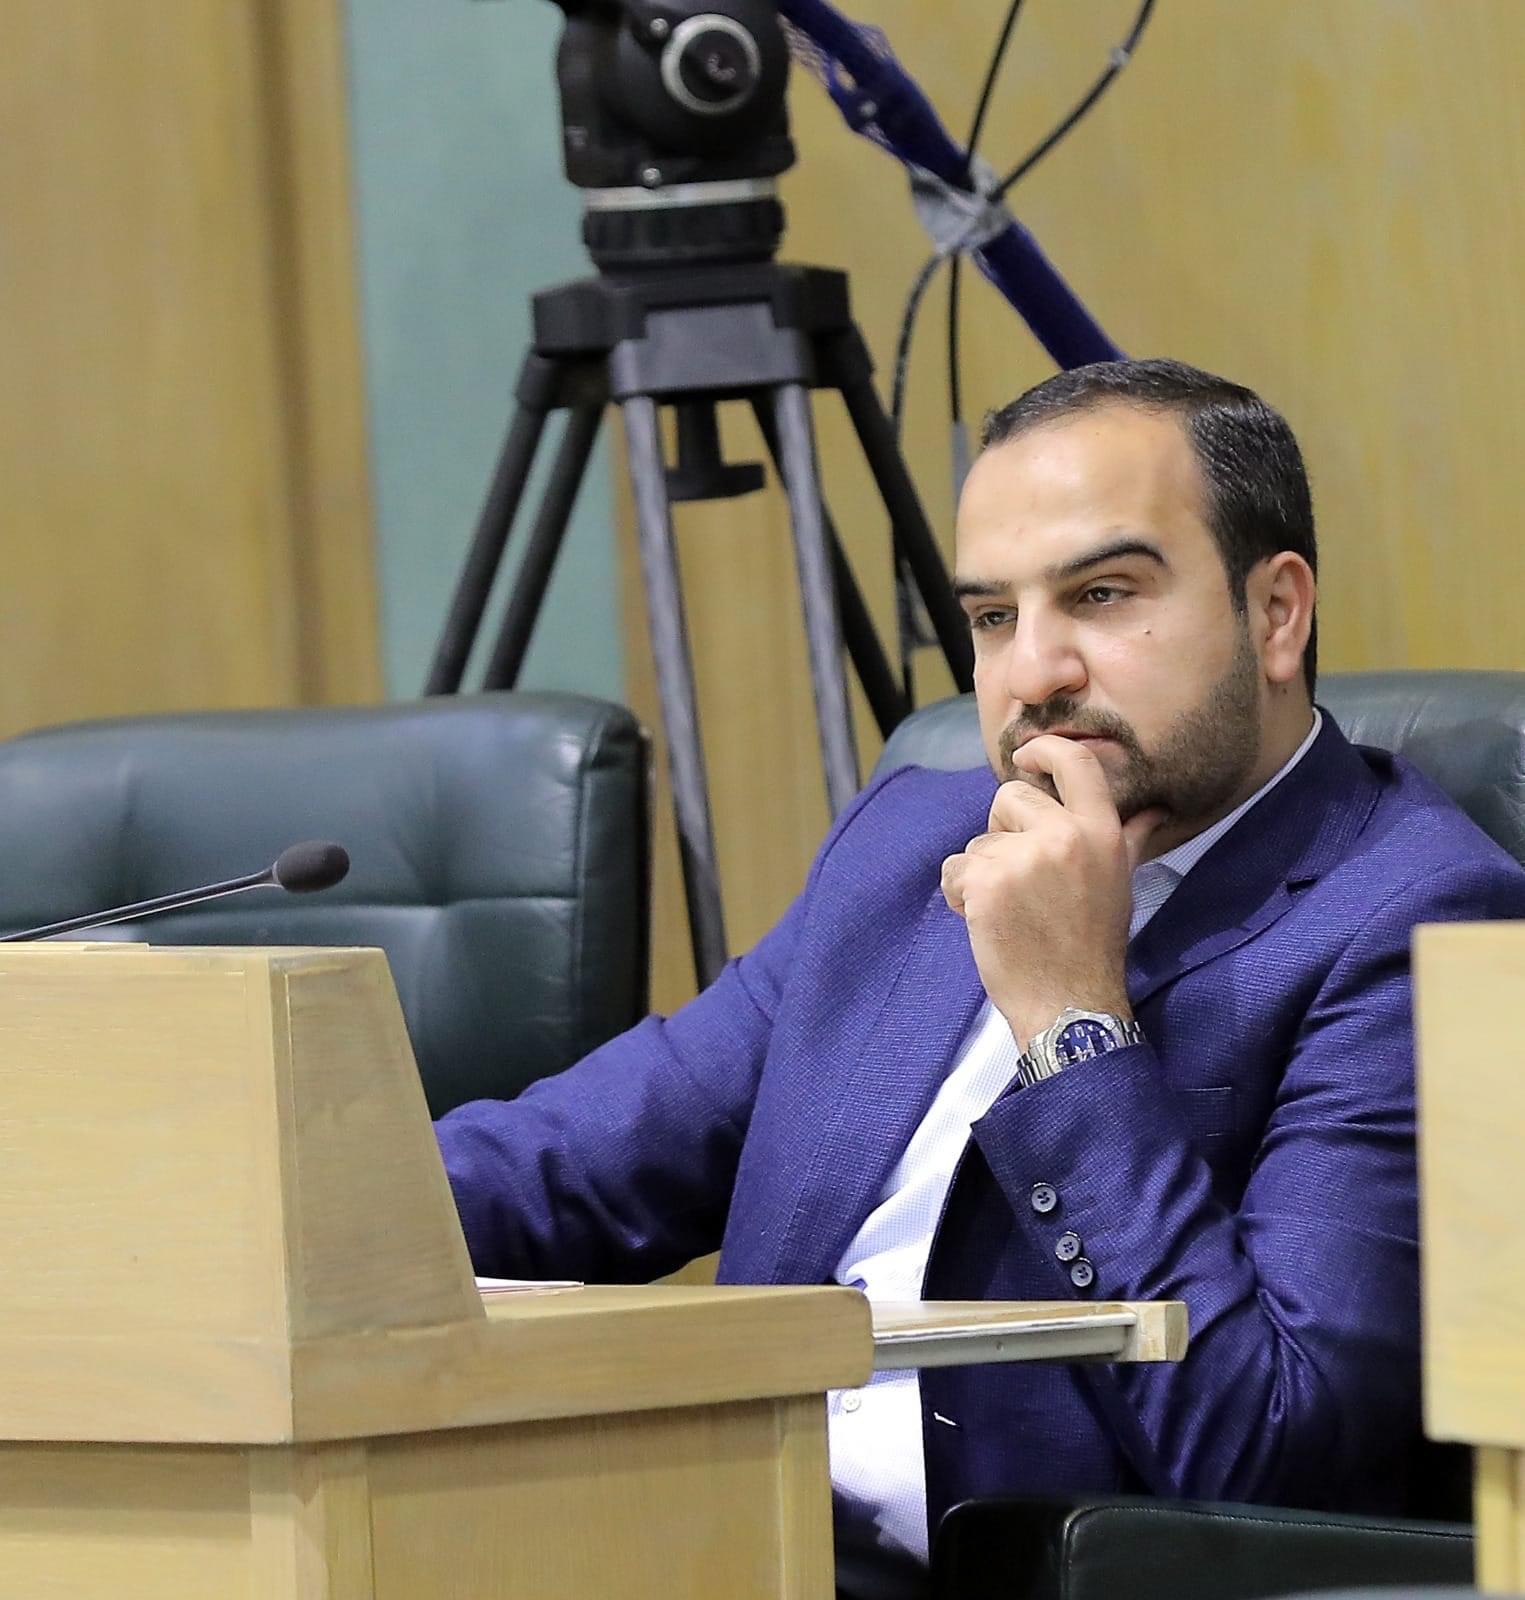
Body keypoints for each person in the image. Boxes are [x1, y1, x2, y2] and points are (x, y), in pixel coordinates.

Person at [437, 358, 1525, 1597]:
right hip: (728, 1540)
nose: (1033, 672)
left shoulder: (1417, 916)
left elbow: (1276, 1452)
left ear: (1276, 613)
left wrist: (1070, 1020)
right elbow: (573, 1164)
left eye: (1100, 595)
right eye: (993, 617)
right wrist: (308, 1207)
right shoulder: (909, 845)